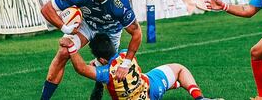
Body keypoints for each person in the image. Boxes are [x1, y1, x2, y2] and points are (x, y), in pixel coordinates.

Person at [40, 0, 142, 100]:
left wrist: (126, 63)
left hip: (111, 32)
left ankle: (99, 84)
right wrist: (64, 28)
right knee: (63, 52)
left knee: (108, 69)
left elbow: (136, 32)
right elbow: (46, 8)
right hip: (87, 26)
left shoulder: (119, 2)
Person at [60, 33, 223, 100]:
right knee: (179, 68)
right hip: (153, 88)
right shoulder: (125, 53)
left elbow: (81, 68)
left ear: (101, 59)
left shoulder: (104, 73)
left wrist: (71, 47)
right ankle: (199, 98)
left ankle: (175, 84)